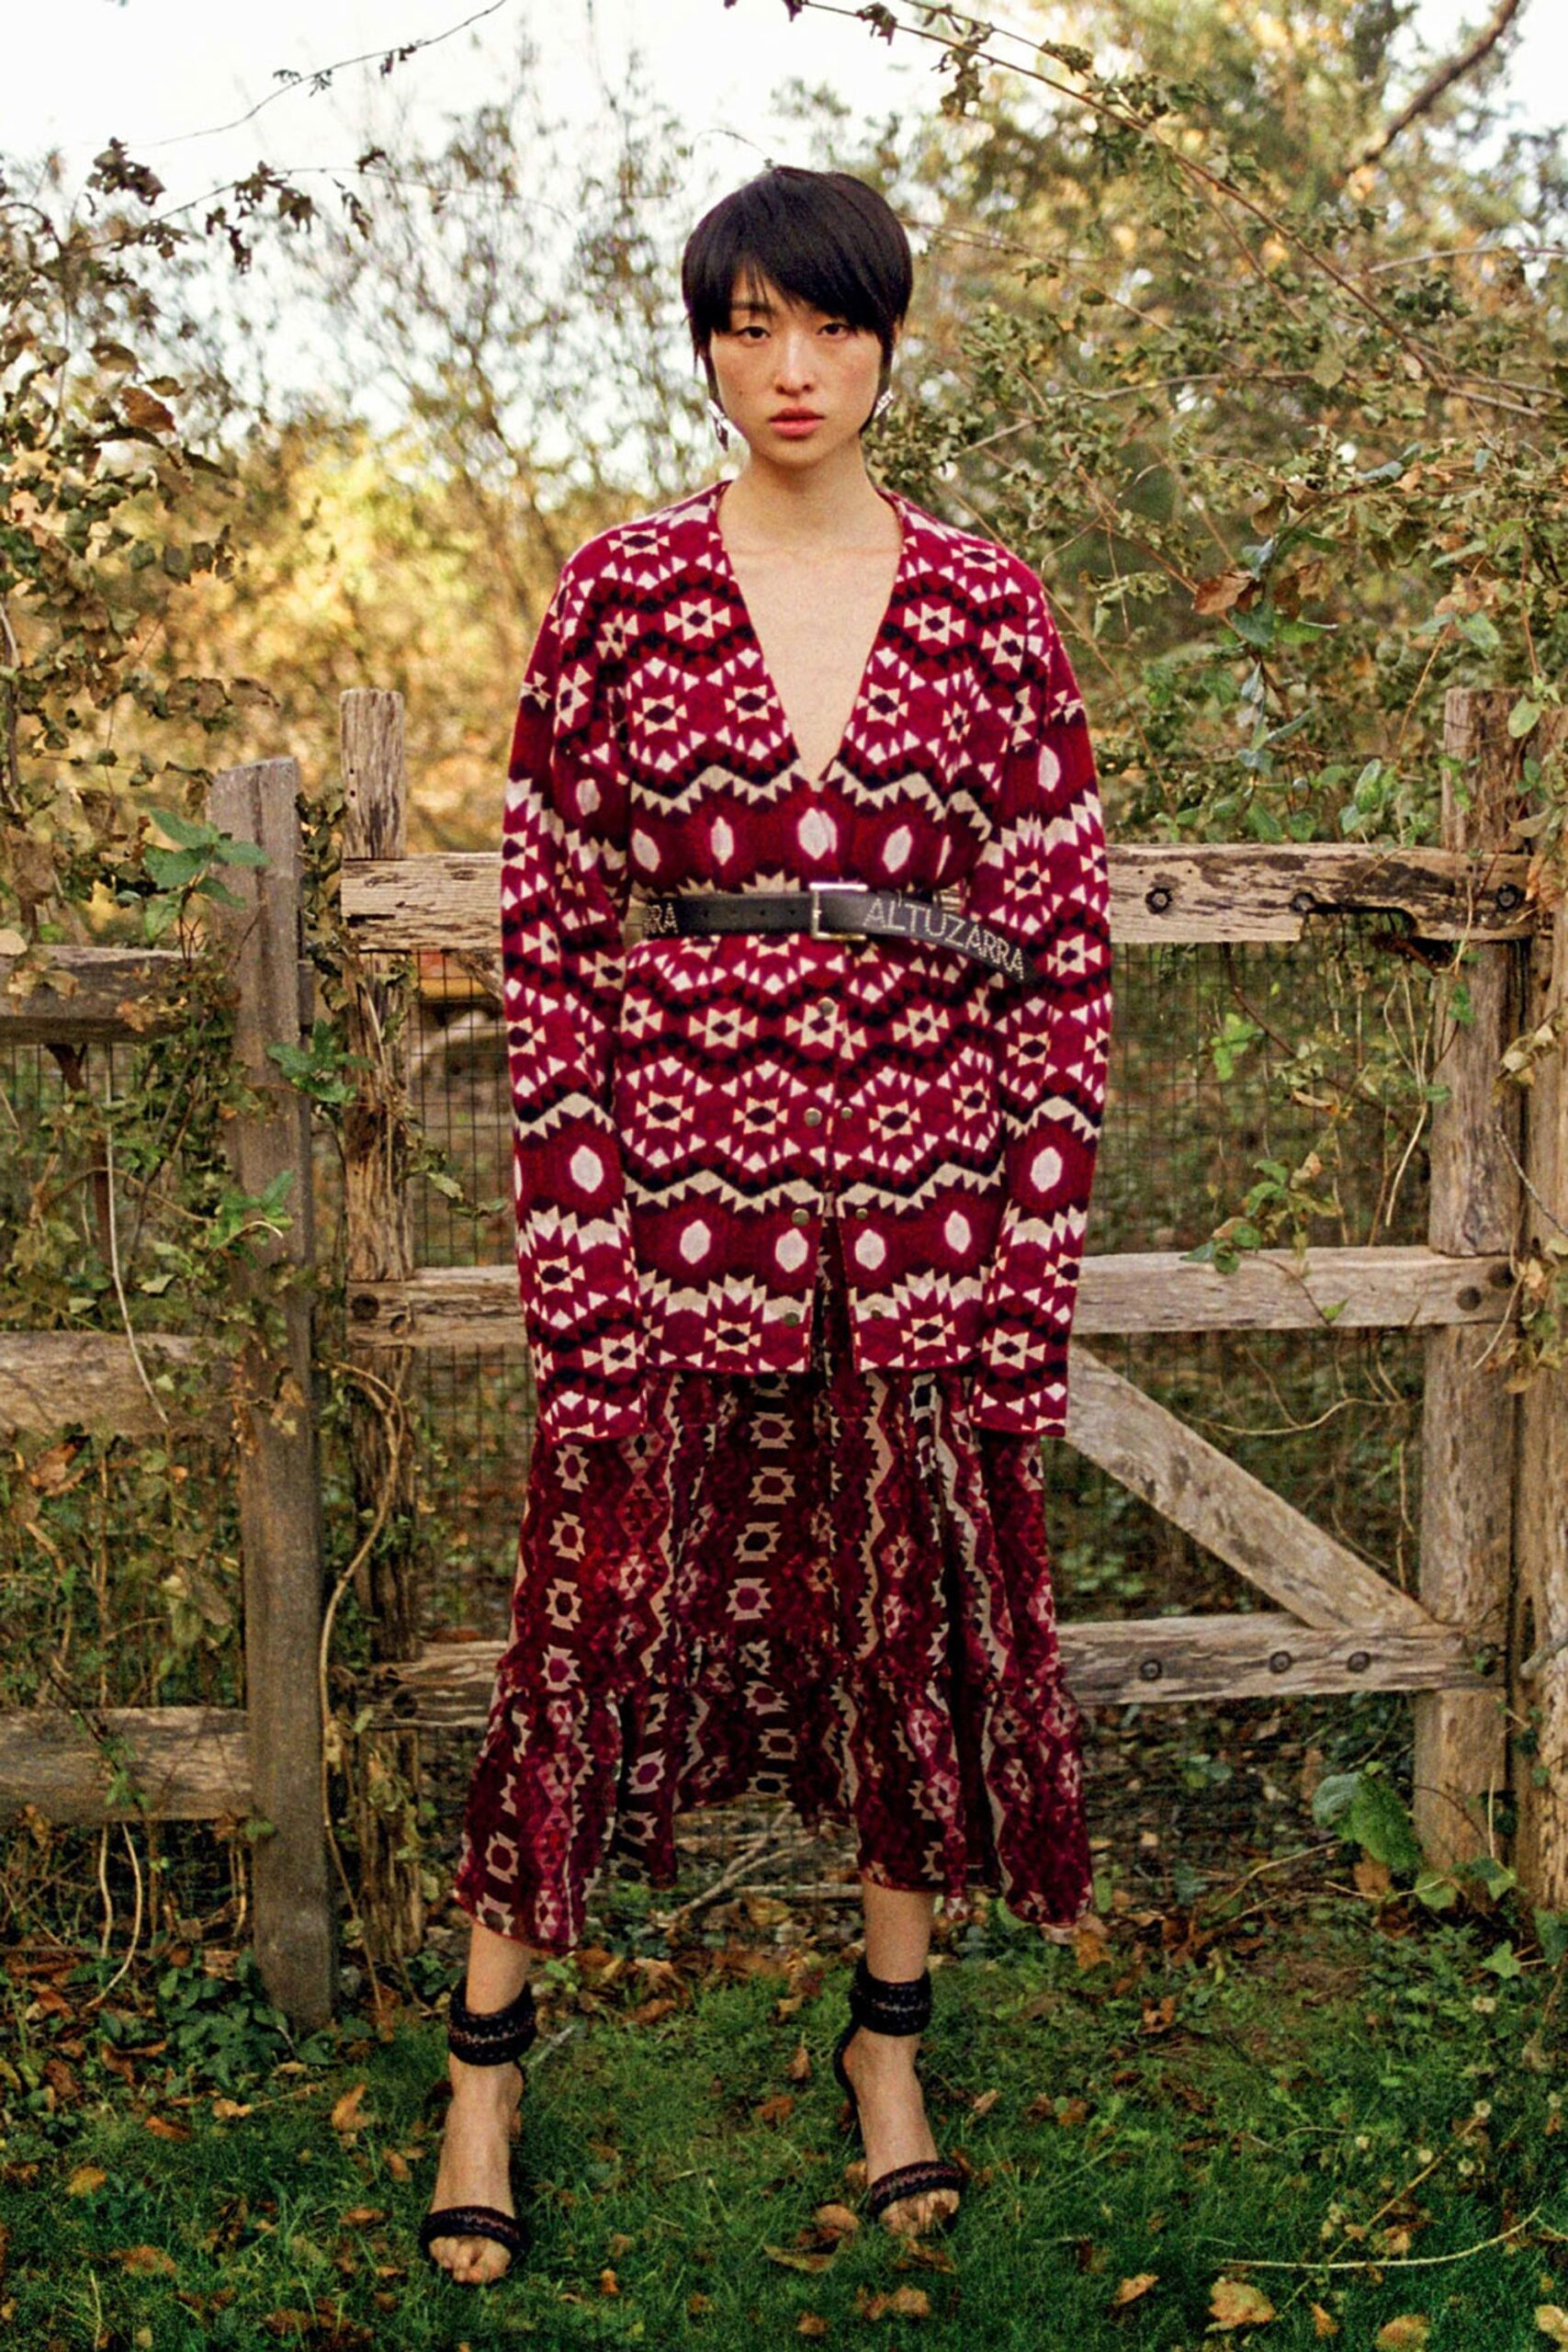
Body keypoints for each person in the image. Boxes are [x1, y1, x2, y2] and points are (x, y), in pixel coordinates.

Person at [421, 163, 1113, 2287]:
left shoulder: (991, 608)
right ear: (704, 347)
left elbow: (1060, 951)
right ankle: (481, 2074)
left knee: (905, 1642)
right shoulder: (618, 594)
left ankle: (885, 2049)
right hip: (672, 1210)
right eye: (743, 325)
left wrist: (1019, 1257)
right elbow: (546, 936)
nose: (786, 368)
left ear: (888, 336)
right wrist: (575, 1232)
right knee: (580, 1629)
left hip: (913, 1217)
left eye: (822, 323)